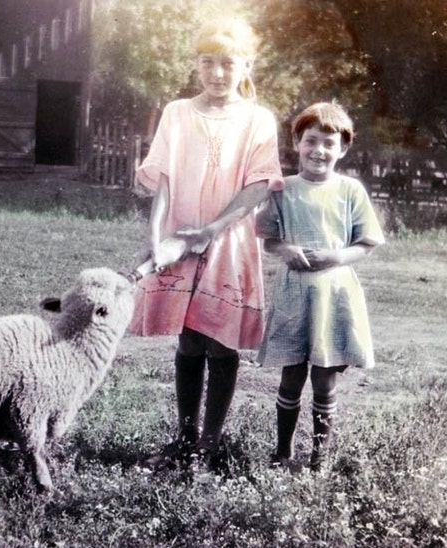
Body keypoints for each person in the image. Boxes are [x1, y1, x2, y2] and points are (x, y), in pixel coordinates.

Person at [131, 17, 283, 472]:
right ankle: (184, 438)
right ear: (196, 64)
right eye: (208, 62)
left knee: (220, 342)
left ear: (246, 65)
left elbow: (258, 185)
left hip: (228, 241)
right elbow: (163, 182)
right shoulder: (177, 113)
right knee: (189, 340)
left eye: (228, 64)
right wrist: (158, 241)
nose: (217, 73)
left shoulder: (258, 119)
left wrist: (212, 230)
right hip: (180, 240)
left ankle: (210, 445)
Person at [255, 101, 385, 472]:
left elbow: (367, 243)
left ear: (343, 149)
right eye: (311, 141)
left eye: (329, 144)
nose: (319, 151)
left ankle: (319, 459)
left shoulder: (350, 189)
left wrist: (338, 256)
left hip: (334, 292)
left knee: (325, 378)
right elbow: (267, 238)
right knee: (291, 374)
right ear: (297, 143)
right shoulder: (283, 189)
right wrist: (285, 249)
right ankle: (282, 453)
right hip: (295, 292)